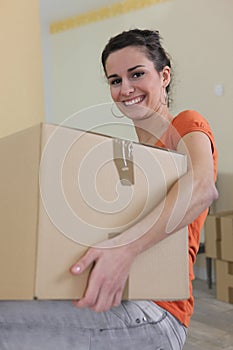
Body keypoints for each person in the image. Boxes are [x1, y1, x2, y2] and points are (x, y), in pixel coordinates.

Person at [70, 28, 218, 349]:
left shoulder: (186, 125)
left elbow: (203, 186)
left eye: (137, 74)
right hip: (119, 293)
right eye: (115, 80)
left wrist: (125, 249)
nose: (126, 88)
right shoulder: (128, 155)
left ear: (164, 76)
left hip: (160, 310)